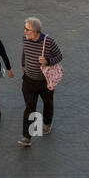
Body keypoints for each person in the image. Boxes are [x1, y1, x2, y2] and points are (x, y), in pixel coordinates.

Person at [18, 18, 62, 147]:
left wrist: (47, 61)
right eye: (25, 28)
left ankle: (47, 123)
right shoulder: (25, 39)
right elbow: (24, 52)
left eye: (27, 29)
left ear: (36, 31)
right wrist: (23, 65)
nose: (25, 31)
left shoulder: (49, 42)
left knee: (48, 103)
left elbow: (59, 56)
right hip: (29, 81)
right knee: (29, 108)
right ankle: (27, 137)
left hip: (45, 81)